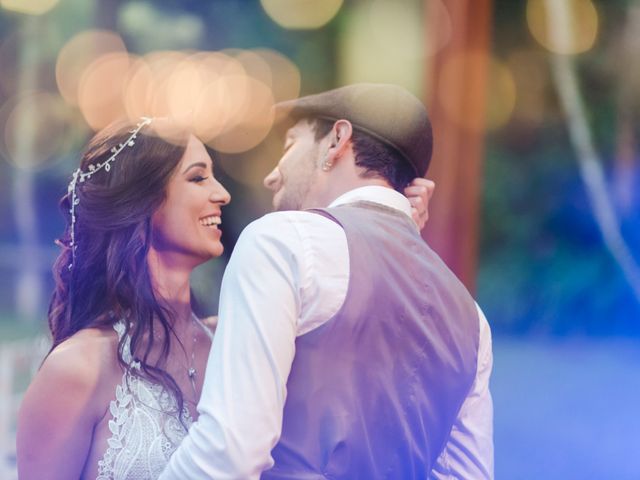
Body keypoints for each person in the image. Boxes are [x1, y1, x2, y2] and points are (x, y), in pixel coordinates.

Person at [16, 116, 433, 480]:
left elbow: (359, 366)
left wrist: (392, 232)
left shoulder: (235, 341)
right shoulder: (79, 367)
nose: (222, 194)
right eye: (198, 177)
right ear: (140, 200)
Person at [160, 83, 493, 480]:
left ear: (337, 139)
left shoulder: (281, 241)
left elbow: (230, 452)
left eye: (289, 144)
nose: (271, 176)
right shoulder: (472, 318)